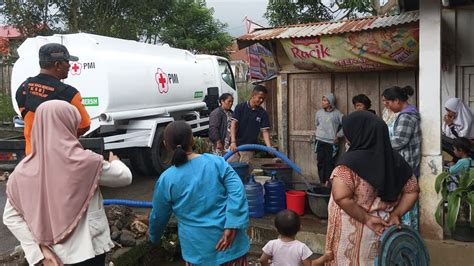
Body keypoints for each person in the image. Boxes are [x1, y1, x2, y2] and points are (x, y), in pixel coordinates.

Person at [3, 100, 132, 265]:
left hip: (51, 258)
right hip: (88, 252)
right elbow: (124, 177)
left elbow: (10, 217)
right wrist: (115, 162)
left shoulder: (21, 172)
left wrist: (39, 250)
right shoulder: (86, 162)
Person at [321, 111, 419, 265]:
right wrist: (396, 214)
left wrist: (366, 218)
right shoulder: (395, 160)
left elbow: (340, 196)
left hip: (352, 235)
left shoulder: (348, 163)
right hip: (383, 231)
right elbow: (412, 190)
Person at [148, 121, 250, 265]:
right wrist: (232, 224)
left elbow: (159, 215)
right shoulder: (217, 163)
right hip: (231, 247)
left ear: (165, 145)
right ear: (193, 139)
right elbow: (237, 192)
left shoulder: (167, 179)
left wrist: (153, 237)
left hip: (197, 251)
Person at [16, 43, 91, 155]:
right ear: (57, 65)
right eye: (67, 62)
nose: (70, 66)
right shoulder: (69, 94)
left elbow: (27, 118)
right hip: (59, 158)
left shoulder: (23, 88)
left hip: (32, 158)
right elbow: (84, 125)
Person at [382, 86, 421, 230]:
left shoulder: (406, 117)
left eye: (387, 102)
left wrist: (379, 144)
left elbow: (399, 141)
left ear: (397, 101)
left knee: (405, 203)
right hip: (404, 165)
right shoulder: (406, 114)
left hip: (405, 166)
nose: (386, 105)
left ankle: (406, 235)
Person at [229, 85, 272, 163]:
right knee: (229, 168)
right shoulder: (240, 108)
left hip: (249, 148)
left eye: (263, 98)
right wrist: (233, 142)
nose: (261, 100)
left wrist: (269, 147)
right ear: (253, 95)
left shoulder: (263, 113)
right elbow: (233, 124)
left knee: (244, 170)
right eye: (260, 97)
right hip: (235, 147)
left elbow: (265, 131)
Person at [314, 93, 344, 186]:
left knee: (329, 163)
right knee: (320, 162)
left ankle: (328, 182)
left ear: (330, 102)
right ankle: (322, 181)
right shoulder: (319, 113)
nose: (323, 102)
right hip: (319, 141)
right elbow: (316, 124)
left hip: (331, 142)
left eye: (325, 100)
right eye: (322, 100)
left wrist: (338, 135)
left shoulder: (337, 114)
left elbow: (345, 125)